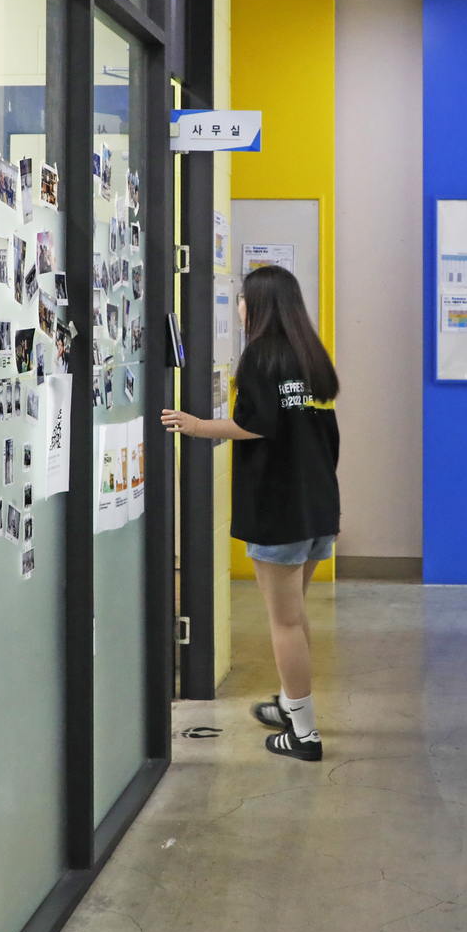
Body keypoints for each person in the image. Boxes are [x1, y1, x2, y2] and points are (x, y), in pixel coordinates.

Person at [161, 264, 340, 762]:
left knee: (283, 621)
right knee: (295, 613)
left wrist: (197, 425)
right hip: (317, 502)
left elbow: (256, 425)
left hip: (280, 505)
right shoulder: (310, 356)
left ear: (258, 305)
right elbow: (320, 432)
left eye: (242, 298)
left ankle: (303, 733)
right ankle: (289, 705)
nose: (237, 306)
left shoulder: (262, 355)